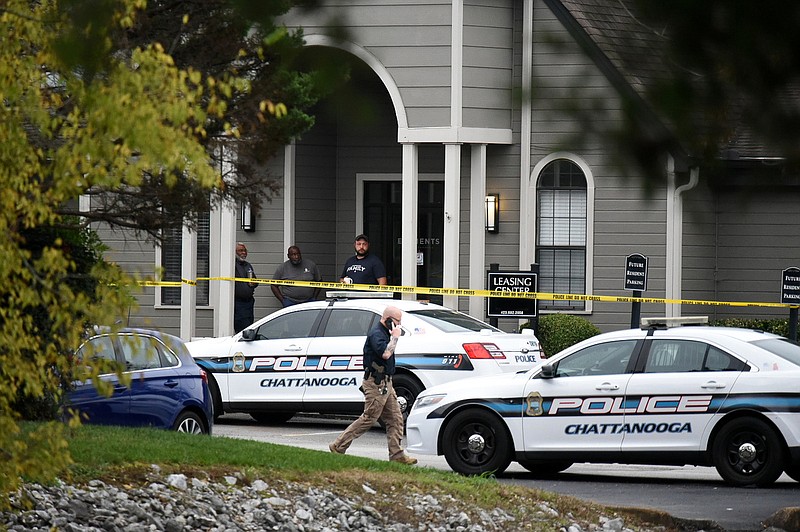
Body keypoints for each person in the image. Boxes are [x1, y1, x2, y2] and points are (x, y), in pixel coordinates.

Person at [328, 306, 417, 465]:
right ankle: (338, 445)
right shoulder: (377, 334)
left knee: (396, 419)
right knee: (369, 418)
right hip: (376, 383)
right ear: (388, 320)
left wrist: (393, 335)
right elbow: (385, 353)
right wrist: (395, 337)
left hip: (386, 383)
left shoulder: (384, 333)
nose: (399, 326)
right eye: (397, 322)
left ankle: (397, 455)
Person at [234, 242, 258, 333]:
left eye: (245, 250)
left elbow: (255, 281)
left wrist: (254, 283)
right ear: (235, 252)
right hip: (238, 302)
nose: (243, 253)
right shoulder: (232, 265)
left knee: (249, 324)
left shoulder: (248, 265)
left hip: (249, 302)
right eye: (240, 251)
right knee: (241, 328)